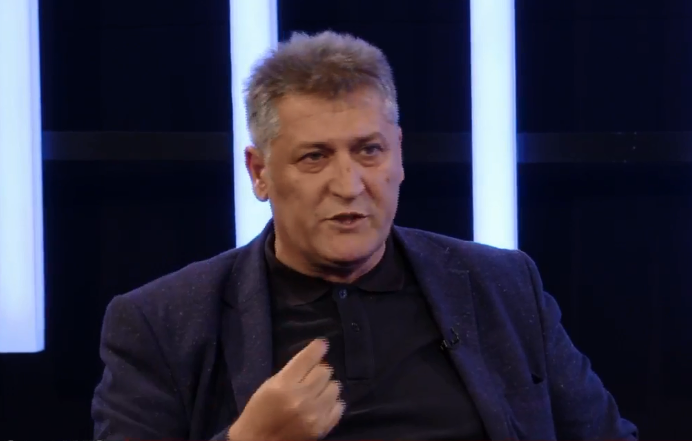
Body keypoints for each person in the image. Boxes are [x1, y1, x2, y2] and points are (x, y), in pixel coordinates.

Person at [92, 31, 637, 441]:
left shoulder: (503, 286)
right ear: (259, 173)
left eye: (368, 150)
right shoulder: (163, 323)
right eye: (315, 157)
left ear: (399, 154)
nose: (349, 185)